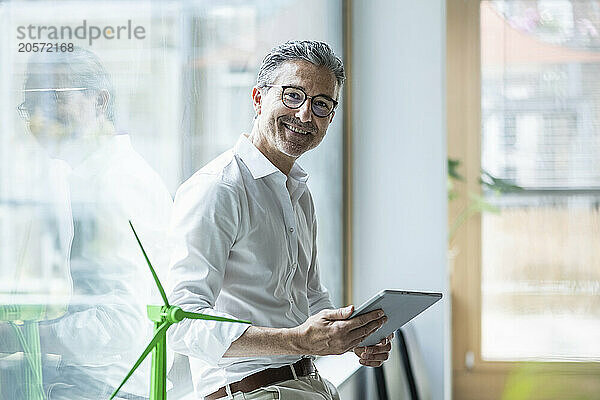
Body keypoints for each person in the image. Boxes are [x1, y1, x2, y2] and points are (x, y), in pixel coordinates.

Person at [167, 40, 392, 400]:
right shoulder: (218, 189)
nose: (306, 115)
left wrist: (351, 337)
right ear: (258, 98)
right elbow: (180, 324)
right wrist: (300, 339)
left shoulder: (298, 193)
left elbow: (310, 296)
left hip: (308, 384)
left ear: (331, 117)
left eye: (321, 104)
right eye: (292, 96)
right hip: (251, 392)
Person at [1, 48, 172, 399]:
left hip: (110, 387)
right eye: (30, 105)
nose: (38, 117)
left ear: (100, 101)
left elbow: (124, 324)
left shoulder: (114, 185)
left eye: (55, 99)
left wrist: (20, 335)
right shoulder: (93, 177)